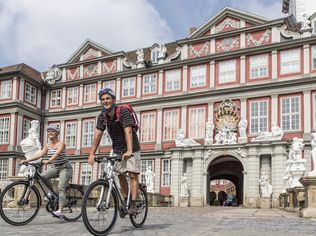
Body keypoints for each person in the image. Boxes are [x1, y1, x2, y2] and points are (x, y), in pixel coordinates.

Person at [88, 88, 141, 215]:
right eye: (103, 99)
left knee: (133, 174)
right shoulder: (102, 116)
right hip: (117, 148)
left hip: (132, 147)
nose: (105, 101)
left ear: (113, 100)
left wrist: (129, 151)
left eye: (107, 98)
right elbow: (98, 135)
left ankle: (133, 204)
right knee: (120, 174)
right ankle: (125, 200)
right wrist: (91, 153)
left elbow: (128, 131)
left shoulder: (122, 111)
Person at [20, 125, 73, 218]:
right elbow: (40, 154)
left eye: (52, 131)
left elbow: (57, 154)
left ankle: (60, 211)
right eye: (49, 131)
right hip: (55, 167)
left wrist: (49, 160)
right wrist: (27, 160)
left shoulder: (61, 144)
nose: (50, 133)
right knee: (43, 176)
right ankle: (52, 192)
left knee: (61, 187)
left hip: (65, 168)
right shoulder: (47, 145)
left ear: (57, 133)